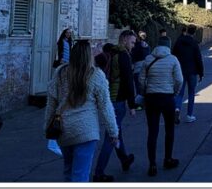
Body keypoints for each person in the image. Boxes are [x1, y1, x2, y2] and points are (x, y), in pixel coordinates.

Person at [45, 40, 119, 182]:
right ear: (88, 56)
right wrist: (113, 131)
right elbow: (105, 106)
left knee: (68, 171)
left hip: (64, 130)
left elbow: (51, 103)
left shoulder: (60, 73)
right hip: (86, 131)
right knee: (81, 174)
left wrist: (47, 127)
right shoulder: (96, 75)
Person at [92, 31, 139, 182]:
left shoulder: (110, 52)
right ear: (124, 40)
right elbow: (128, 81)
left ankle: (124, 159)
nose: (133, 46)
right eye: (132, 42)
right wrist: (132, 105)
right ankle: (99, 173)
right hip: (117, 99)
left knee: (116, 131)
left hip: (107, 97)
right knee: (111, 136)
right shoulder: (123, 55)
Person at [138, 36, 183, 177]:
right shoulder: (173, 59)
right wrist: (174, 92)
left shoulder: (148, 59)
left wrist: (145, 92)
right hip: (167, 97)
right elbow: (179, 80)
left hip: (151, 98)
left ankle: (152, 164)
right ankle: (168, 159)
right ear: (168, 46)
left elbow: (141, 79)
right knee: (169, 130)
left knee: (152, 131)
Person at [171, 25, 205, 124]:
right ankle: (189, 115)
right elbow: (198, 59)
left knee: (180, 93)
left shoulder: (179, 41)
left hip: (180, 70)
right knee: (191, 93)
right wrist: (201, 73)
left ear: (186, 31)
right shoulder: (194, 43)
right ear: (194, 33)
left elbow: (173, 54)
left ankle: (177, 109)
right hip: (192, 71)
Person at [131, 31, 151, 99]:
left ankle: (139, 103)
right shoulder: (147, 46)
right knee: (146, 86)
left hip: (137, 69)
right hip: (147, 68)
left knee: (138, 87)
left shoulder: (135, 46)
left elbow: (132, 57)